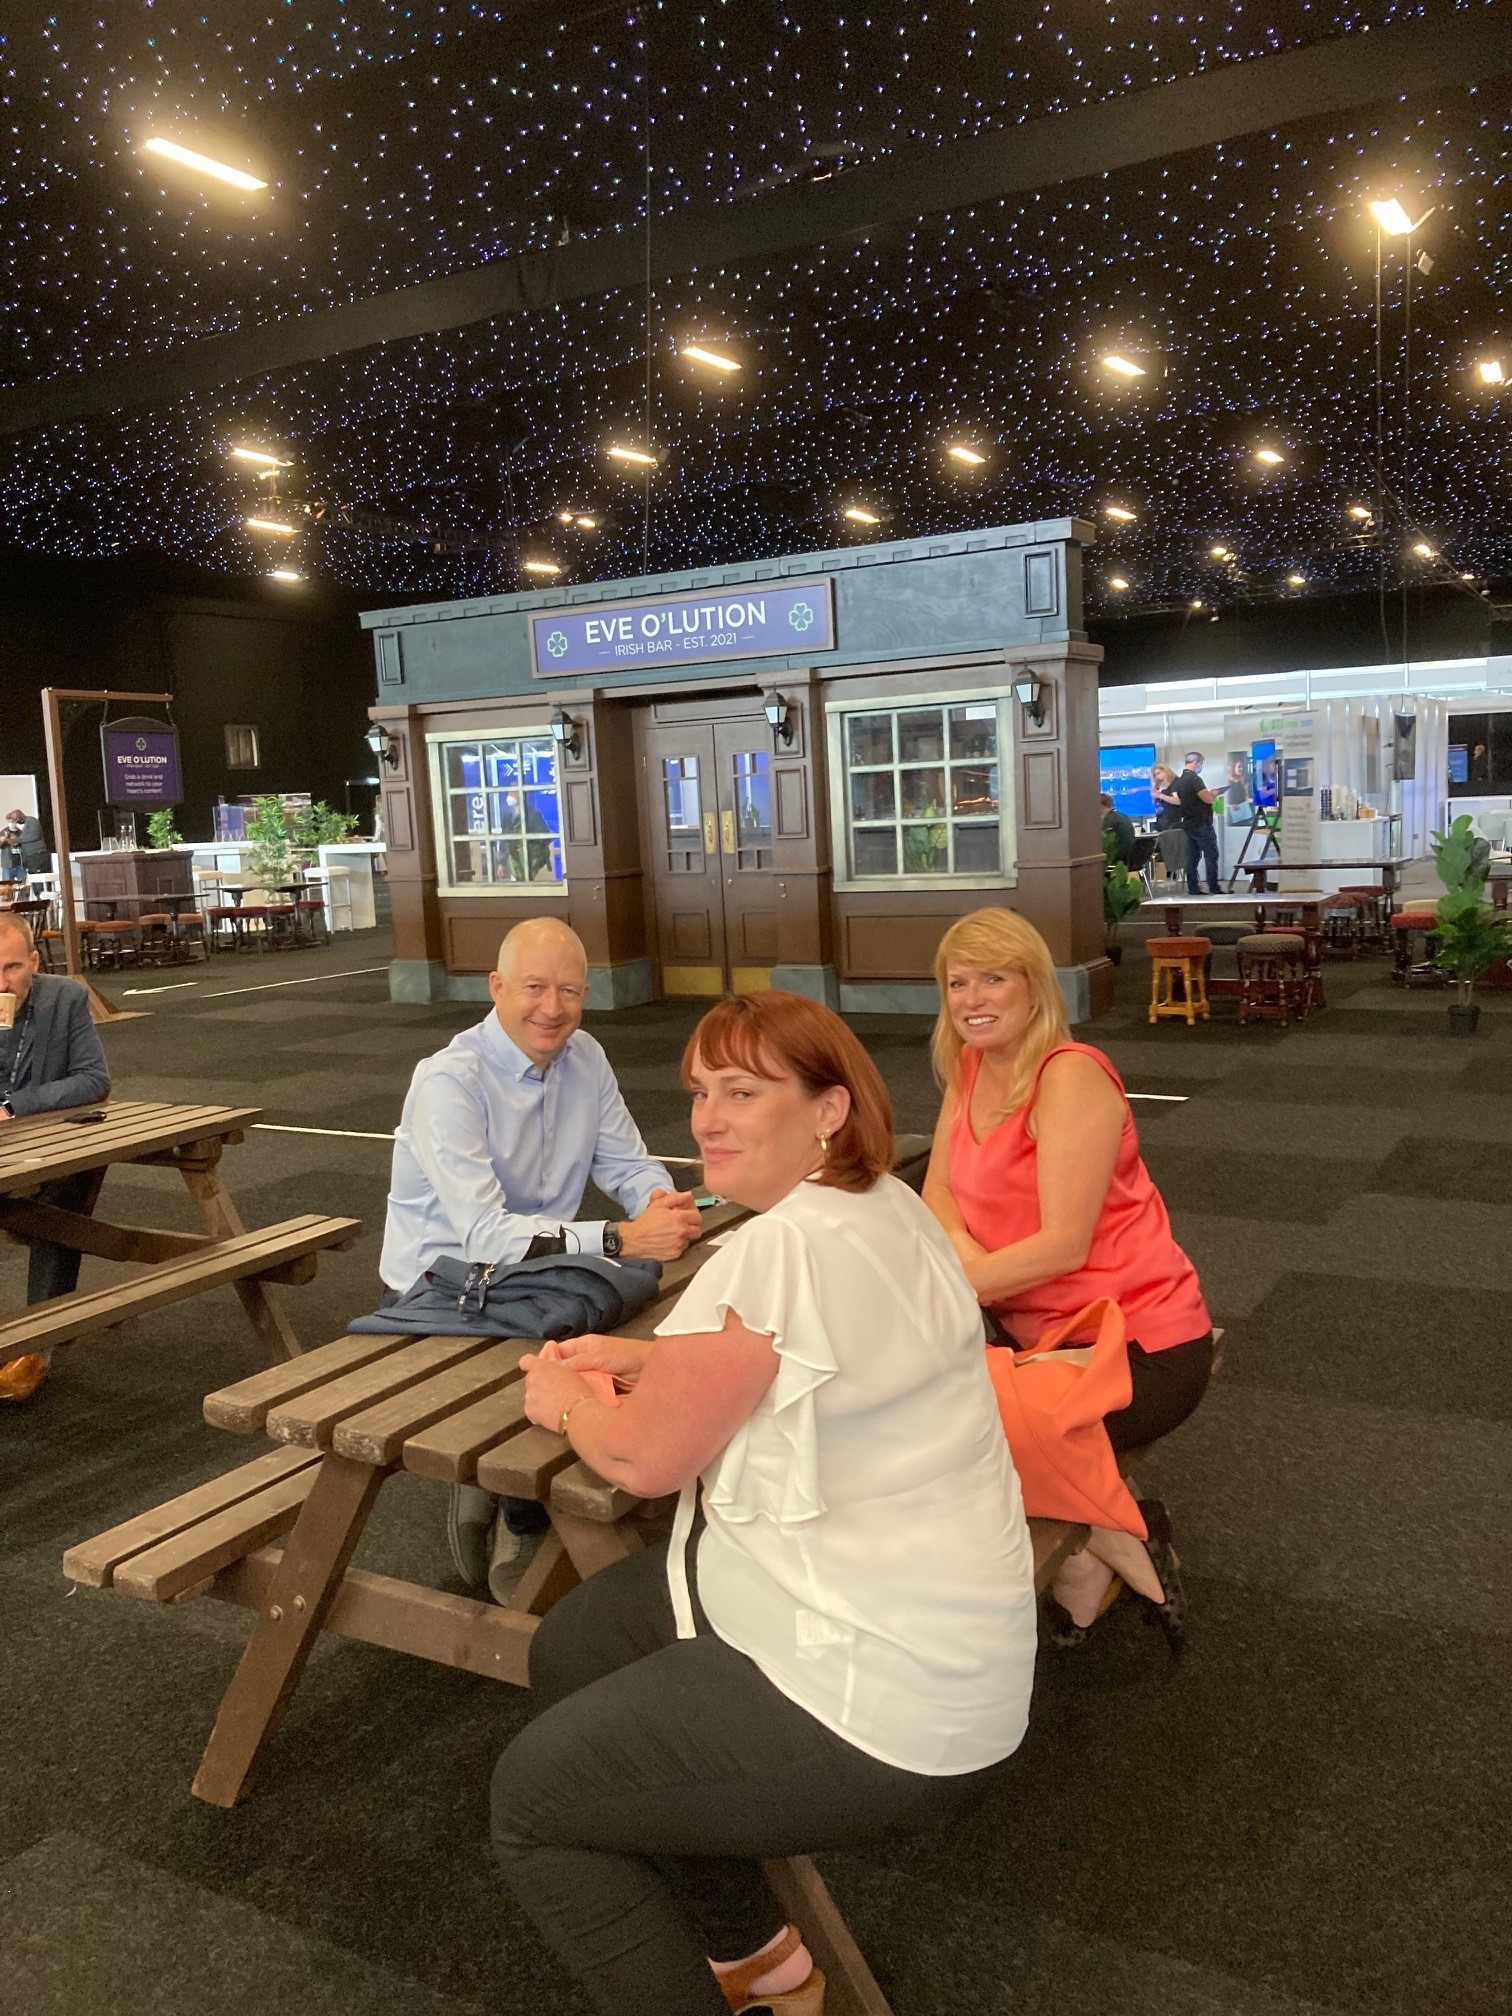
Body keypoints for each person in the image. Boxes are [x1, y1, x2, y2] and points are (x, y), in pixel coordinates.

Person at [491, 991, 1037, 2016]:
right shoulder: (886, 1207)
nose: (707, 1117)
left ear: (829, 1109)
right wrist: (651, 1362)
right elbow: (795, 1362)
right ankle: (761, 1959)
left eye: (742, 1092)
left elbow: (642, 1460)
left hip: (888, 1687)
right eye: (701, 1092)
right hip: (948, 1633)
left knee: (533, 1804)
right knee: (578, 1646)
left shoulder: (778, 1250)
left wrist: (566, 1401)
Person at [921, 907, 1213, 1649]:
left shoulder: (1070, 1075)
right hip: (1037, 1338)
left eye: (994, 979)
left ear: (1034, 986)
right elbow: (938, 1192)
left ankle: (1113, 1548)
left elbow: (1063, 1247)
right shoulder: (970, 1067)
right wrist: (967, 1262)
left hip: (1140, 1345)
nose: (973, 999)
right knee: (929, 1407)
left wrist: (960, 1283)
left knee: (964, 1434)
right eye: (958, 982)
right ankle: (1118, 1545)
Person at [380, 916, 700, 1589]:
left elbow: (627, 1162)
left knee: (626, 1333)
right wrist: (620, 1237)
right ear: (496, 987)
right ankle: (521, 1511)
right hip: (440, 1294)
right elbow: (487, 1237)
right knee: (578, 1348)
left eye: (570, 991)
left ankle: (515, 1494)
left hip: (537, 1277)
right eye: (534, 987)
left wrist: (660, 1203)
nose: (552, 1008)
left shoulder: (586, 1057)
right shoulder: (449, 1082)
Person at [0, 914, 112, 1404]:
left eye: (11, 968)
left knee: (64, 1193)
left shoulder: (64, 998)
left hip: (45, 1138)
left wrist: (14, 1107)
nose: (1, 983)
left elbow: (93, 1079)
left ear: (34, 962)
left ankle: (36, 1347)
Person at [1171, 750, 1220, 896]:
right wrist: (1214, 793)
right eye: (1201, 763)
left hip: (1188, 823)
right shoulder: (1195, 779)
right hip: (1201, 823)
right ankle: (1214, 887)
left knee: (1192, 858)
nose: (1201, 766)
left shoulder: (1180, 781)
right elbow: (1207, 799)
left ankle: (1193, 888)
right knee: (1211, 855)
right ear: (1196, 762)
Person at [7, 809, 48, 878]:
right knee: (33, 877)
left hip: (37, 854)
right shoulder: (27, 824)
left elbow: (35, 836)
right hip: (31, 856)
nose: (17, 823)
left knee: (38, 877)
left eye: (16, 821)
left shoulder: (32, 821)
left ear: (19, 818)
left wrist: (17, 840)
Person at [1099, 792, 1136, 863]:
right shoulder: (1123, 816)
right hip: (1128, 857)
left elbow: (1104, 844)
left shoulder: (1109, 820)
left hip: (1117, 859)